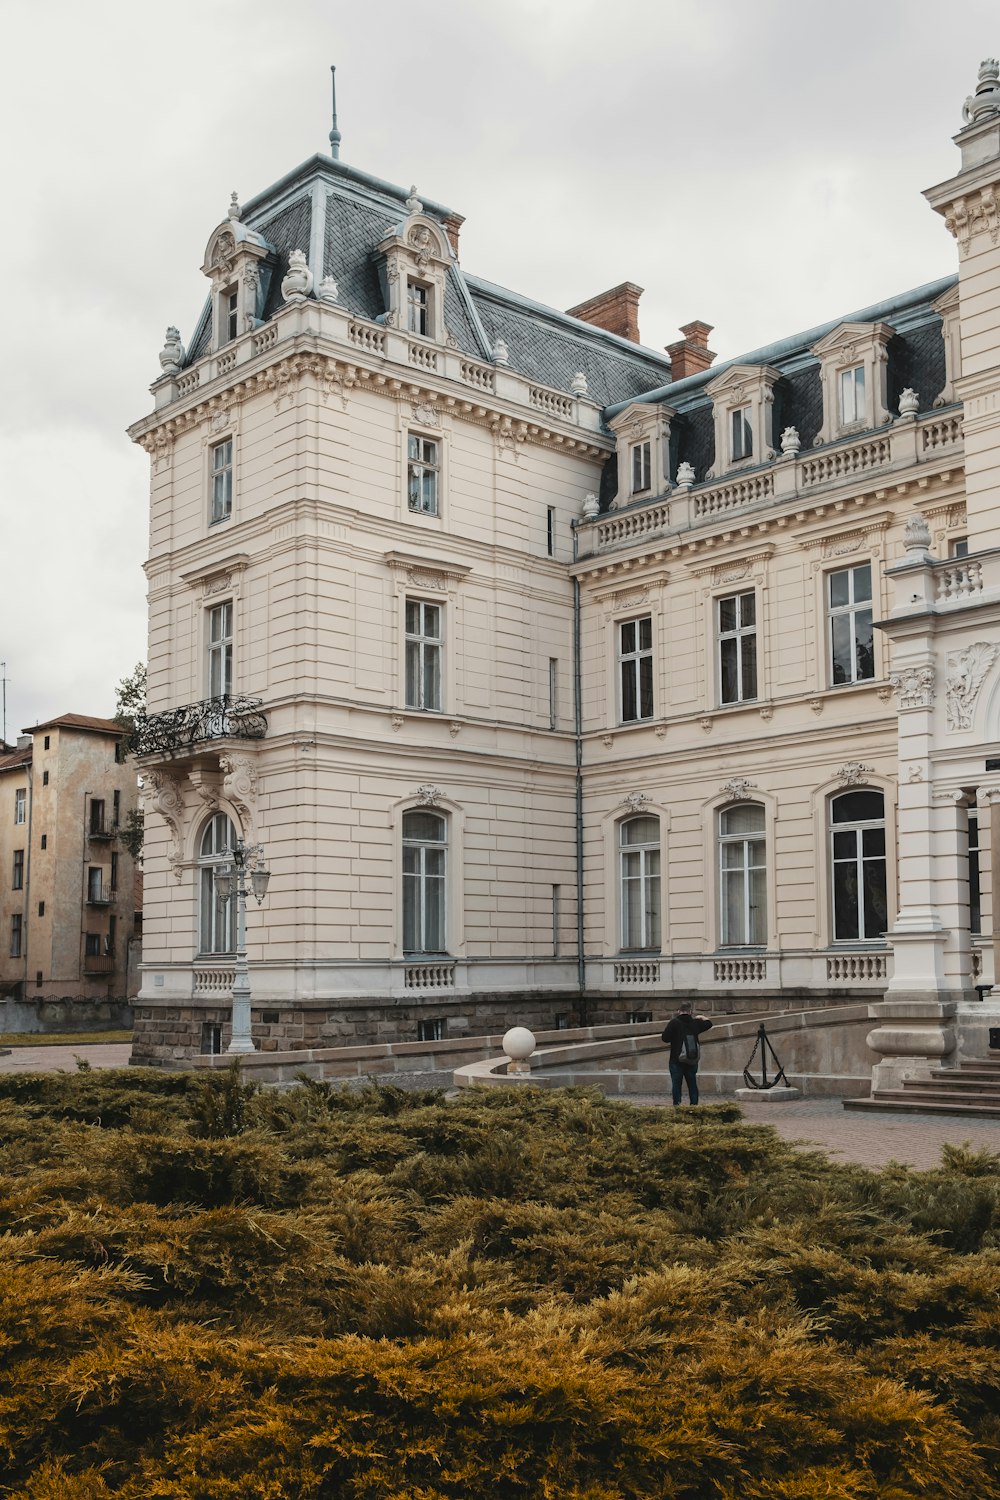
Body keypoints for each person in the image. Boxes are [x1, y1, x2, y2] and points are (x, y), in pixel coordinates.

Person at [661, 1001, 713, 1106]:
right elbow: (709, 1024)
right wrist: (702, 1017)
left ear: (679, 1011)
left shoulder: (674, 1023)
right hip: (692, 1059)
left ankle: (677, 1105)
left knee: (676, 1084)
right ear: (690, 1012)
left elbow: (665, 1038)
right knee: (692, 1084)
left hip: (676, 1059)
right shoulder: (695, 1023)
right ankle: (694, 1106)